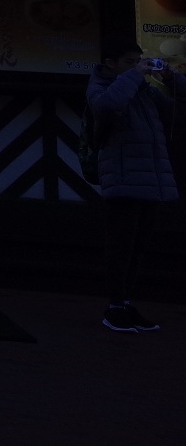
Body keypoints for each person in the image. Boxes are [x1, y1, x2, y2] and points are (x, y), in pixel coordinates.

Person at [88, 33, 180, 332]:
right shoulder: (100, 86)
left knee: (138, 247)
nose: (136, 67)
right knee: (120, 246)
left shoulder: (144, 92)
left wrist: (171, 79)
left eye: (138, 62)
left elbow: (176, 110)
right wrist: (135, 76)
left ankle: (126, 304)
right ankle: (114, 307)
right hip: (123, 176)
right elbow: (105, 106)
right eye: (128, 62)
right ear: (110, 64)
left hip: (150, 178)